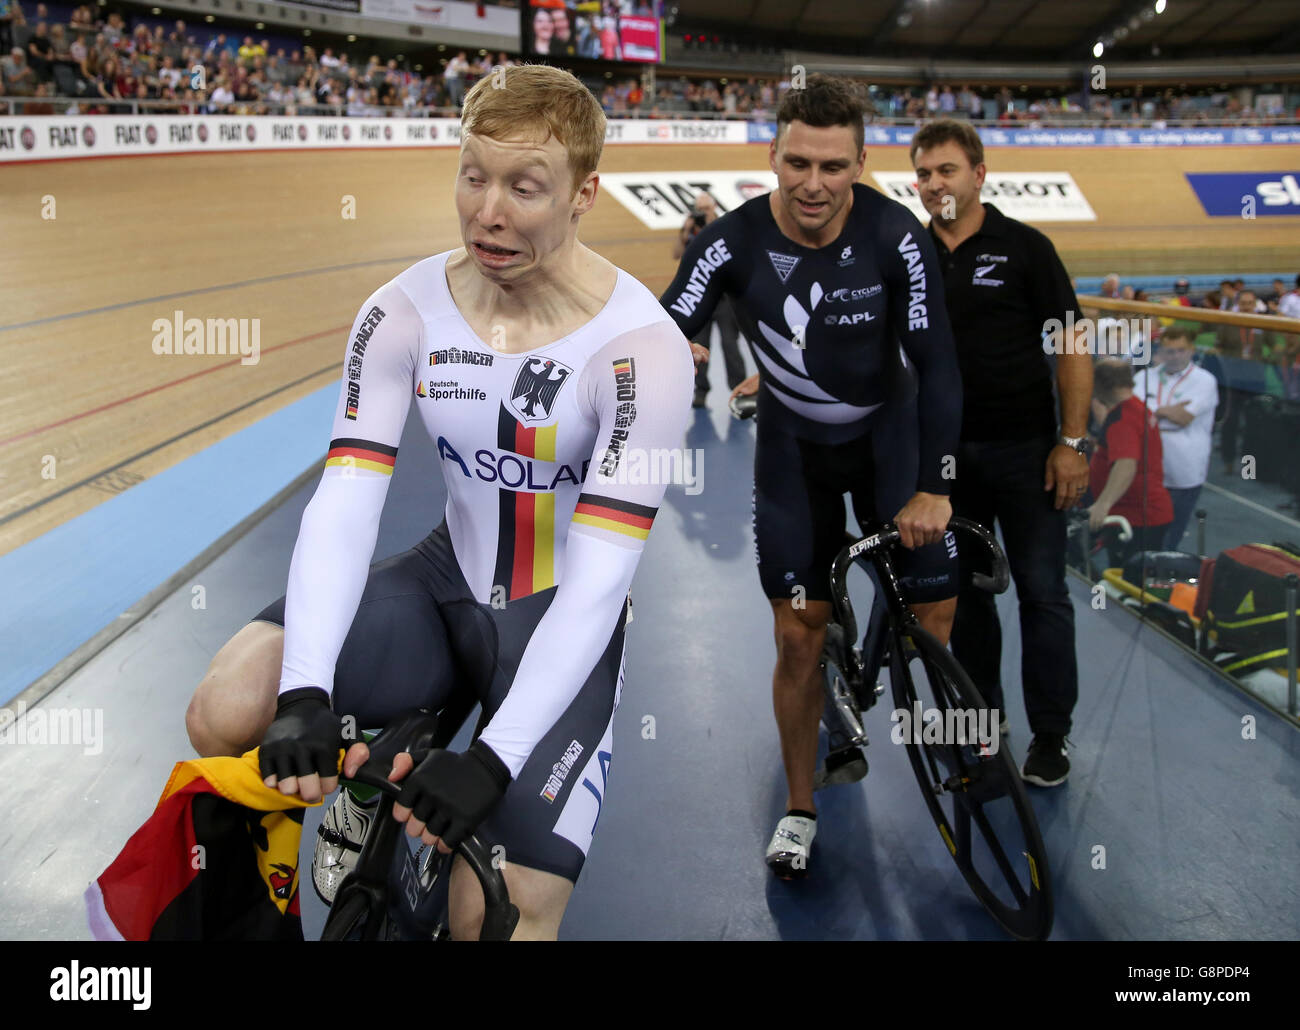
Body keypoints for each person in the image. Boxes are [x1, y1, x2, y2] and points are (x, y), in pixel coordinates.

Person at [184, 64, 693, 941]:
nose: (488, 211)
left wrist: (492, 763)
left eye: (525, 187)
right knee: (224, 709)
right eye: (473, 176)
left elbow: (602, 585)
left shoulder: (643, 350)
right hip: (439, 582)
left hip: (556, 613)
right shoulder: (404, 311)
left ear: (584, 194)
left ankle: (412, 788)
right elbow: (344, 504)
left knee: (494, 917)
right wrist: (305, 687)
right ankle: (365, 781)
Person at [660, 75, 963, 877]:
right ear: (773, 157)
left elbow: (938, 365)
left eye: (834, 167)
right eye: (798, 163)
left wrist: (935, 483)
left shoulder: (900, 236)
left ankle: (880, 669)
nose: (814, 184)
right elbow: (662, 326)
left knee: (935, 604)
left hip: (888, 444)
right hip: (794, 455)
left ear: (861, 163)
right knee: (795, 638)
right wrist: (664, 355)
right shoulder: (727, 241)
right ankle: (801, 805)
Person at [909, 118, 1092, 788]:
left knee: (1044, 595)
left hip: (1027, 454)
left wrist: (1071, 443)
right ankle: (984, 717)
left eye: (946, 170)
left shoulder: (1026, 248)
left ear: (979, 174)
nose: (934, 184)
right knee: (970, 596)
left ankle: (1051, 737)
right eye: (924, 173)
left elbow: (1072, 345)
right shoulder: (910, 254)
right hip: (948, 464)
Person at [1132, 326, 1218, 550]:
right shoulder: (1144, 376)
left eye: (1181, 350)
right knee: (1140, 527)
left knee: (1171, 531)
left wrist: (1152, 411)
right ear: (1160, 350)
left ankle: (1163, 572)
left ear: (1191, 350)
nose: (1175, 356)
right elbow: (1132, 415)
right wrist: (1165, 411)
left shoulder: (1205, 381)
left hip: (1184, 467)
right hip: (1146, 463)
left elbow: (1182, 418)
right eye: (1170, 351)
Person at [1087, 360, 1174, 567]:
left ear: (1101, 385)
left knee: (1126, 581)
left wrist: (1102, 504)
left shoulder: (1122, 420)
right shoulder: (1136, 407)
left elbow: (1126, 464)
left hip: (1136, 517)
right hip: (1144, 512)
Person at [671, 191, 746, 407]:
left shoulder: (724, 226)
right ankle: (701, 391)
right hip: (699, 299)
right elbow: (676, 254)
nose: (703, 213)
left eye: (706, 209)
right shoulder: (691, 229)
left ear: (714, 207)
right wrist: (685, 231)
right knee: (699, 347)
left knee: (729, 344)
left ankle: (739, 388)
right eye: (699, 209)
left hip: (724, 299)